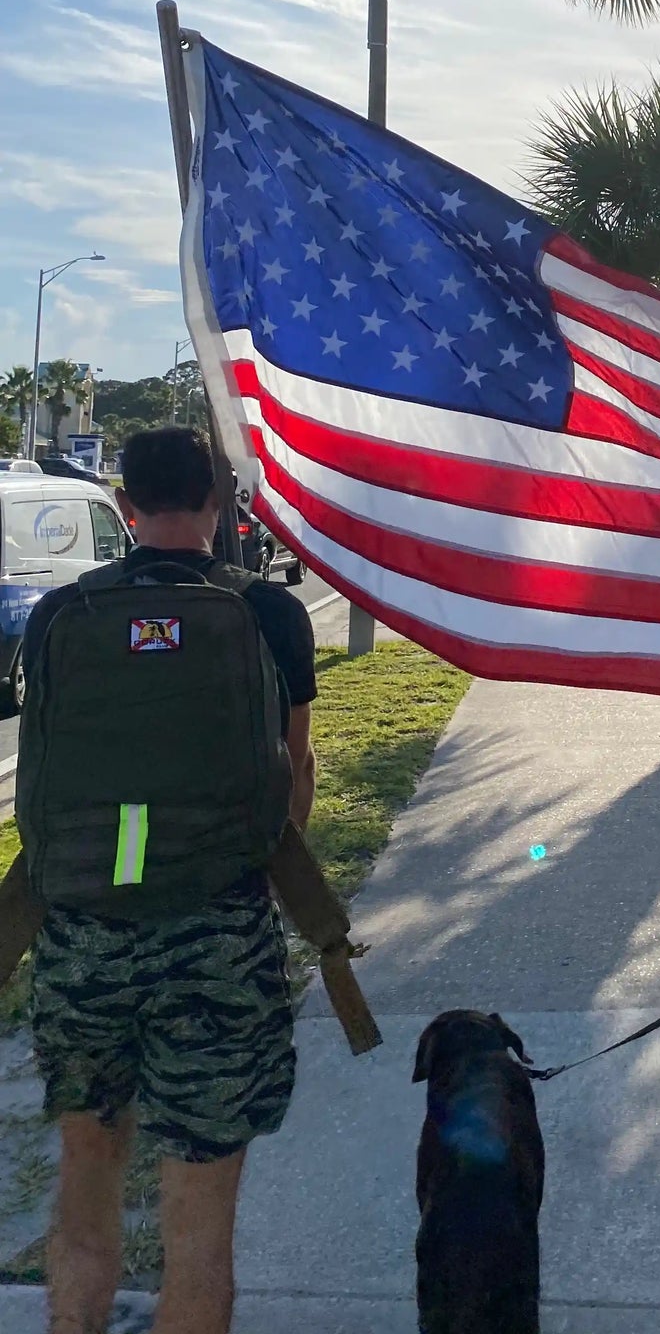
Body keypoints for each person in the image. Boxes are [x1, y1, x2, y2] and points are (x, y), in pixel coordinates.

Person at [21, 427, 317, 1334]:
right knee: (198, 1224)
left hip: (79, 936)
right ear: (218, 505)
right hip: (217, 937)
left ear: (125, 508)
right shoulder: (269, 614)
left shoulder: (57, 616)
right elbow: (293, 772)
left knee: (86, 1176)